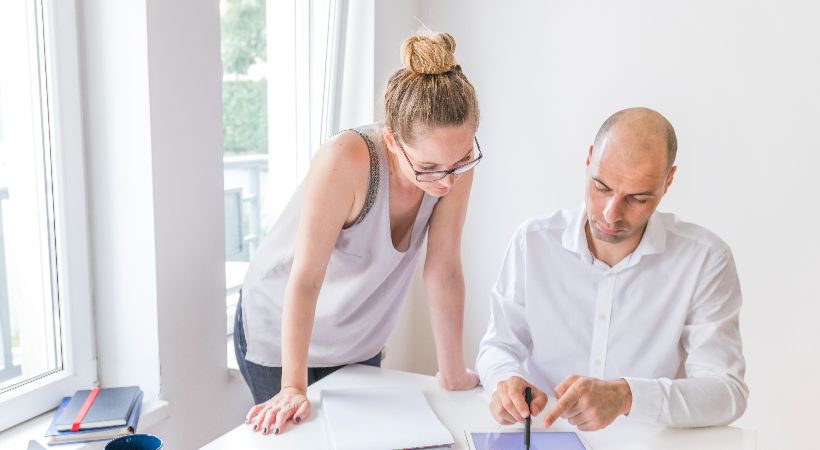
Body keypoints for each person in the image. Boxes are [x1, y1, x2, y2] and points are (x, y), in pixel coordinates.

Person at [235, 31, 482, 436]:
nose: (446, 182)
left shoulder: (453, 164)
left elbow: (443, 269)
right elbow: (306, 276)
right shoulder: (347, 160)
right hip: (281, 329)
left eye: (461, 160)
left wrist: (452, 373)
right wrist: (293, 386)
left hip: (356, 333)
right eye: (428, 167)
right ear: (391, 141)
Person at [477, 107, 748, 431]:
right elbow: (498, 346)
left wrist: (627, 396)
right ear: (589, 159)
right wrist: (505, 381)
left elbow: (727, 391)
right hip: (547, 437)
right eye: (602, 187)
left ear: (668, 182)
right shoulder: (532, 243)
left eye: (637, 198)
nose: (611, 213)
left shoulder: (705, 260)